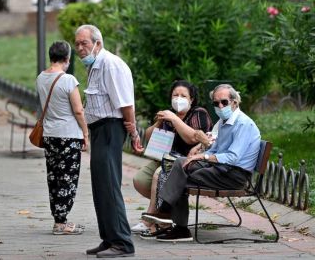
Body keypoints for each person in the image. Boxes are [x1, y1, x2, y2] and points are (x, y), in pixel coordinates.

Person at [144, 84, 261, 242]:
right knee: (180, 162)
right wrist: (199, 155)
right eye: (216, 103)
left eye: (224, 102)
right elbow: (215, 149)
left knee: (182, 176)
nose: (220, 106)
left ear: (235, 102)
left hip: (234, 175)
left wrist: (203, 158)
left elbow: (233, 157)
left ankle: (173, 221)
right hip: (220, 169)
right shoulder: (223, 121)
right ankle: (167, 217)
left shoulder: (243, 124)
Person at [74, 24, 142, 258]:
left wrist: (133, 133)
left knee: (110, 186)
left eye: (85, 43)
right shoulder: (95, 65)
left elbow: (125, 104)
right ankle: (109, 238)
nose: (80, 48)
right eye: (78, 44)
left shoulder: (111, 65)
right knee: (100, 186)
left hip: (111, 129)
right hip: (100, 131)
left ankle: (123, 242)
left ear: (98, 43)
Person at [130, 80, 212, 237]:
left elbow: (192, 138)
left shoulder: (198, 113)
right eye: (175, 95)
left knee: (159, 175)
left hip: (188, 162)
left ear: (192, 99)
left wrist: (175, 120)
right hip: (165, 158)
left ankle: (151, 220)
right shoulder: (169, 113)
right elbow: (148, 136)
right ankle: (166, 210)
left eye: (183, 95)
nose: (178, 98)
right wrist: (160, 122)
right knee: (139, 180)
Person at [36, 41, 89, 235]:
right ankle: (61, 223)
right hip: (69, 136)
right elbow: (78, 110)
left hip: (50, 135)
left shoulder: (41, 78)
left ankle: (58, 219)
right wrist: (85, 132)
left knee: (54, 177)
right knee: (68, 179)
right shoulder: (68, 80)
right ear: (67, 59)